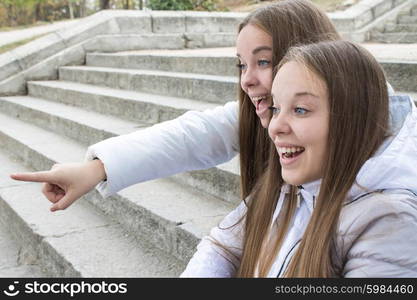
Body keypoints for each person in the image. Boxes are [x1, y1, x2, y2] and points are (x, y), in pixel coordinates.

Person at [11, 0, 355, 211]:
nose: (246, 80)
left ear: (309, 54)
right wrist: (95, 169)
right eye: (241, 65)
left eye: (263, 62)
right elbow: (190, 136)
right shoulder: (256, 118)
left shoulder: (386, 183)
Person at [180, 40, 417, 277]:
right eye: (275, 108)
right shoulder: (290, 187)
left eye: (300, 110)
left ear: (353, 119)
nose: (275, 127)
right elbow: (221, 246)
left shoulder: (390, 222)